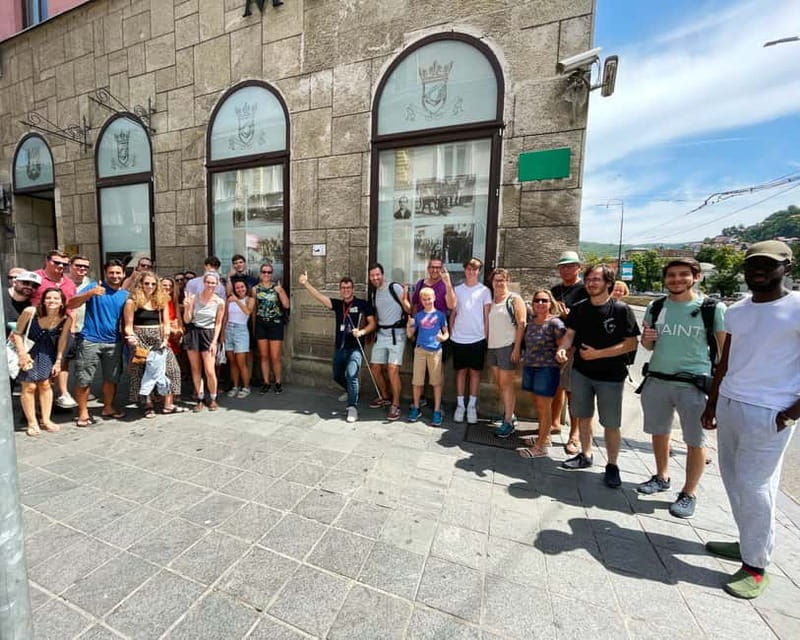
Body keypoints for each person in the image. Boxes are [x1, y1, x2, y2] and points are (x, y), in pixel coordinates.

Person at [701, 241, 800, 599]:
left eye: (768, 264)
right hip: (731, 402)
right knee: (732, 478)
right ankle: (747, 542)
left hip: (771, 411)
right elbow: (725, 361)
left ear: (786, 268)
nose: (759, 270)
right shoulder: (737, 311)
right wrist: (712, 403)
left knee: (754, 485)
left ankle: (756, 565)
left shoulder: (797, 307)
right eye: (753, 264)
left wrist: (790, 415)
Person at [637, 258, 725, 519]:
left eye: (683, 275)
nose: (677, 280)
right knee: (659, 432)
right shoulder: (656, 306)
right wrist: (646, 340)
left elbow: (723, 351)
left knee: (695, 441)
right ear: (665, 279)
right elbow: (649, 346)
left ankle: (689, 492)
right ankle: (661, 476)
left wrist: (719, 388)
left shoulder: (712, 308)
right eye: (671, 275)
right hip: (658, 379)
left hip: (694, 383)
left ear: (696, 277)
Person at [556, 264, 639, 487]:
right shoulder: (580, 308)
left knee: (611, 423)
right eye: (589, 279)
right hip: (582, 372)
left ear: (608, 283)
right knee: (583, 416)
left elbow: (631, 344)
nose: (591, 283)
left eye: (597, 279)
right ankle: (585, 454)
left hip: (611, 376)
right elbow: (570, 334)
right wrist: (562, 348)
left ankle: (612, 465)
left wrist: (598, 354)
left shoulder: (621, 310)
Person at [299, 271, 376, 423]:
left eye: (348, 287)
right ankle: (350, 391)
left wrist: (361, 332)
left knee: (352, 375)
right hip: (340, 347)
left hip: (355, 347)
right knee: (336, 375)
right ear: (340, 290)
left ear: (352, 289)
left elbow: (373, 324)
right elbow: (320, 297)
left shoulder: (362, 304)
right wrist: (305, 284)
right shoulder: (338, 304)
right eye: (343, 288)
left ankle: (352, 407)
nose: (346, 290)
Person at [69, 260, 129, 426]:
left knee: (112, 379)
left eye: (118, 273)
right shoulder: (94, 287)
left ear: (123, 274)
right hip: (90, 340)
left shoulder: (125, 295)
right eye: (111, 273)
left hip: (114, 342)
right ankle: (83, 413)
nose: (115, 276)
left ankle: (108, 407)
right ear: (105, 273)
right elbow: (71, 303)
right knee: (84, 379)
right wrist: (89, 294)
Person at [123, 273, 186, 417]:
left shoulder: (161, 300)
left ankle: (168, 404)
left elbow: (166, 323)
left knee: (172, 369)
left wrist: (165, 338)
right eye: (147, 283)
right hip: (140, 339)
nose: (150, 286)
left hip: (160, 339)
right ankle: (147, 404)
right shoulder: (132, 302)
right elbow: (128, 325)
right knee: (142, 372)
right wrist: (132, 339)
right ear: (141, 284)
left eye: (153, 284)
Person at [13, 288, 72, 436]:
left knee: (45, 385)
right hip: (28, 350)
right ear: (43, 300)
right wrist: (22, 354)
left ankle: (46, 420)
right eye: (49, 298)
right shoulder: (30, 312)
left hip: (47, 352)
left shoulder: (65, 318)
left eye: (56, 298)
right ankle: (32, 422)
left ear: (62, 302)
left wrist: (59, 361)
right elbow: (17, 333)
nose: (52, 301)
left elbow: (63, 340)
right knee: (29, 387)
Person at [516, 289, 566, 458]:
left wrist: (561, 365)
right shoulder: (531, 322)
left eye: (544, 300)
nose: (540, 304)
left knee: (544, 407)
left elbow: (563, 347)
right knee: (538, 405)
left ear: (551, 303)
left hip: (547, 369)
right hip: (531, 367)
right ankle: (543, 439)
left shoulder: (555, 323)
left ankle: (540, 448)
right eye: (537, 300)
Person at [550, 250, 588, 454]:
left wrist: (570, 315)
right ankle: (555, 423)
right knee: (556, 387)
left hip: (574, 346)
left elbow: (587, 318)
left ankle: (575, 435)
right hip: (555, 344)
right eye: (562, 266)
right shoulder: (555, 290)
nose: (566, 270)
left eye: (570, 266)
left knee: (573, 391)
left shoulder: (584, 290)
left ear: (578, 268)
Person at [32, 250, 78, 409]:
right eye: (57, 262)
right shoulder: (35, 277)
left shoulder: (69, 283)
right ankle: (36, 407)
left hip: (62, 329)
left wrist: (71, 328)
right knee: (39, 367)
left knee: (62, 363)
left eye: (64, 264)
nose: (61, 266)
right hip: (39, 330)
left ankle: (59, 397)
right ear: (47, 260)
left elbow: (71, 308)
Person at [448, 257, 491, 424]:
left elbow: (486, 315)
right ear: (464, 270)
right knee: (460, 372)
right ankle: (460, 405)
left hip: (477, 337)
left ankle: (471, 406)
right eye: (469, 269)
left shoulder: (484, 291)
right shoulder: (457, 290)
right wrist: (452, 333)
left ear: (478, 271)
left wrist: (486, 337)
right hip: (459, 337)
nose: (471, 272)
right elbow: (453, 313)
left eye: (475, 269)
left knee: (475, 373)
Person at [367, 263, 411, 421]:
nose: (375, 278)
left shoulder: (394, 288)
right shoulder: (374, 293)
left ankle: (396, 404)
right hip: (381, 334)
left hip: (397, 334)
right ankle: (385, 395)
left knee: (392, 369)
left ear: (382, 274)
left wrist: (405, 298)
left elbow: (408, 309)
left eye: (377, 274)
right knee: (375, 368)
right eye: (372, 276)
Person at [486, 268, 526, 438]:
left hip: (507, 346)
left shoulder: (514, 299)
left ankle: (508, 421)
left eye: (502, 280)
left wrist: (516, 348)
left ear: (507, 280)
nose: (499, 283)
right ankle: (509, 414)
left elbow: (521, 323)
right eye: (496, 280)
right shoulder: (493, 300)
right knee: (500, 384)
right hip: (493, 347)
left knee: (506, 384)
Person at [183, 271, 225, 411]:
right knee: (195, 368)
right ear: (204, 282)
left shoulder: (220, 302)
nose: (210, 285)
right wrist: (188, 306)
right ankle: (200, 398)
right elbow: (187, 320)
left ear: (217, 284)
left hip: (209, 334)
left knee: (210, 370)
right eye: (208, 282)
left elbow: (218, 323)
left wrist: (214, 342)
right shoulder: (194, 298)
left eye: (213, 283)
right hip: (194, 332)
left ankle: (213, 398)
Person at [407, 287, 448, 425]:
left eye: (429, 298)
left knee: (436, 382)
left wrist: (443, 338)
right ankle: (416, 407)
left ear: (434, 298)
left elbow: (447, 333)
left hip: (435, 350)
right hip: (420, 350)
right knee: (417, 381)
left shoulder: (440, 315)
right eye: (424, 299)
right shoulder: (418, 315)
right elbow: (410, 334)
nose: (427, 301)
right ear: (421, 301)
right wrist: (409, 327)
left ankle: (436, 410)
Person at [253, 263, 290, 393]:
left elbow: (286, 304)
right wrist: (253, 326)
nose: (266, 274)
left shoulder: (277, 287)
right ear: (260, 273)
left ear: (272, 274)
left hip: (275, 323)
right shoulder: (255, 289)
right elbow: (254, 308)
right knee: (263, 356)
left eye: (269, 272)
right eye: (264, 272)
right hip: (261, 323)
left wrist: (280, 292)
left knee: (275, 356)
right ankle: (266, 382)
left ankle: (278, 381)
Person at [225, 279, 255, 398]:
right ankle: (235, 386)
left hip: (241, 330)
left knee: (241, 362)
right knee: (232, 362)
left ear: (246, 287)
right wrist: (222, 333)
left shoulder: (250, 299)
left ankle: (246, 387)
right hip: (229, 329)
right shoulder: (229, 299)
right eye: (237, 288)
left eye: (242, 287)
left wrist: (237, 300)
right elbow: (226, 316)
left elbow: (247, 311)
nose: (240, 289)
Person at [4, 269, 40, 336]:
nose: (29, 287)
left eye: (34, 286)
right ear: (15, 282)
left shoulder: (31, 307)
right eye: (26, 283)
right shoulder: (1, 295)